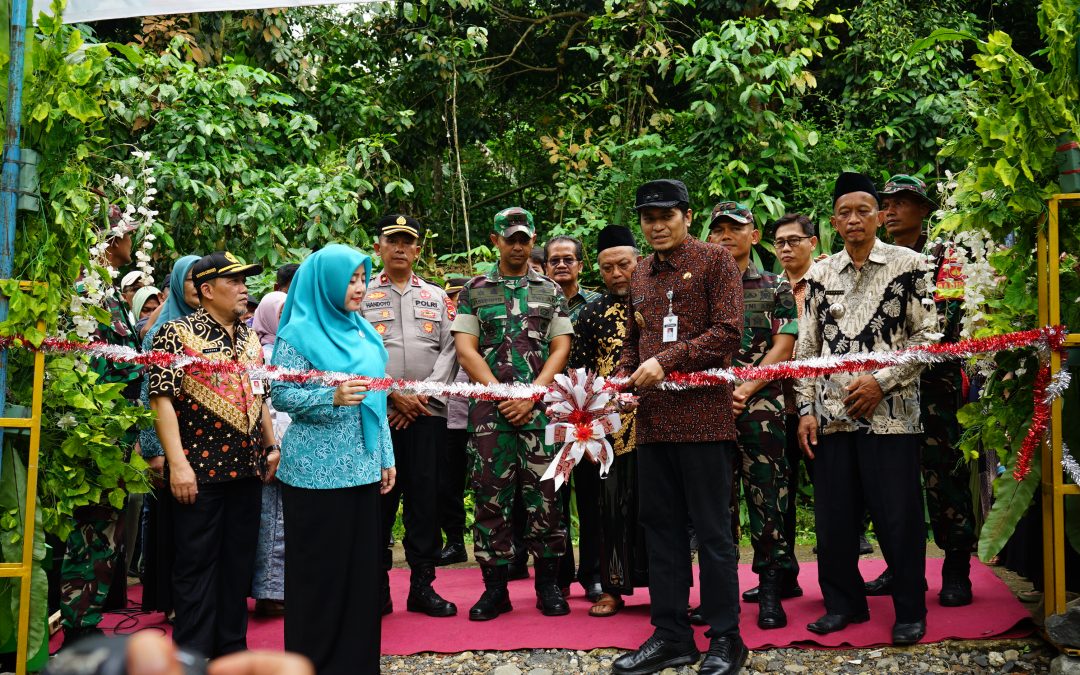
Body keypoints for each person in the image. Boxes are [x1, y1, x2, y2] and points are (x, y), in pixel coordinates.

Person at [795, 172, 938, 646]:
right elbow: (807, 348)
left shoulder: (910, 264)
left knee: (898, 516)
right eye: (844, 213)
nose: (854, 219)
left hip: (893, 413)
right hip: (832, 416)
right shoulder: (819, 273)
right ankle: (843, 605)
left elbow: (929, 337)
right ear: (834, 222)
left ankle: (910, 610)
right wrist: (806, 409)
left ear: (879, 215)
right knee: (834, 518)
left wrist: (881, 381)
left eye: (863, 210)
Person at [614, 179, 746, 675]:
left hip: (706, 422)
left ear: (687, 217)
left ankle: (726, 637)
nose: (657, 225)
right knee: (660, 531)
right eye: (649, 218)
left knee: (713, 533)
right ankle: (671, 635)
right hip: (653, 425)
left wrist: (666, 361)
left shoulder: (716, 261)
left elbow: (728, 333)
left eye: (666, 215)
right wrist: (624, 380)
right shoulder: (641, 272)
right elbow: (635, 338)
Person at [270, 244, 395, 674]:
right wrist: (332, 396)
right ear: (326, 282)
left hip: (360, 467)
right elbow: (282, 395)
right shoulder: (297, 334)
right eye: (351, 279)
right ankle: (313, 664)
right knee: (318, 578)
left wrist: (385, 455)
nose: (359, 288)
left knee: (359, 576)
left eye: (362, 278)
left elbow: (378, 397)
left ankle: (357, 664)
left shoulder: (364, 331)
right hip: (314, 476)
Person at [147, 251, 280, 657]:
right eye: (235, 281)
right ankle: (193, 658)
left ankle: (231, 654)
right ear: (207, 290)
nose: (244, 289)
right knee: (196, 569)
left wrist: (271, 444)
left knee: (237, 567)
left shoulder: (248, 335)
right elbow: (161, 400)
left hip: (246, 470)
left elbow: (259, 392)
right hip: (200, 472)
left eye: (245, 281)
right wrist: (179, 465)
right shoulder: (175, 333)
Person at [451, 206, 573, 620]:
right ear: (496, 239)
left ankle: (548, 587)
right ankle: (495, 590)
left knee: (546, 499)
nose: (518, 245)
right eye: (510, 238)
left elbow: (560, 347)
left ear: (532, 239)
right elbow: (466, 348)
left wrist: (533, 395)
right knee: (490, 497)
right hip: (490, 413)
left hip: (540, 414)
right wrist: (500, 393)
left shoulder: (551, 291)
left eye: (524, 238)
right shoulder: (474, 289)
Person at [864, 174, 977, 606]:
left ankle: (956, 570)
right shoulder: (875, 257)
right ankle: (901, 566)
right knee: (892, 482)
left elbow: (944, 325)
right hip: (884, 391)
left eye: (902, 203)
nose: (890, 210)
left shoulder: (943, 256)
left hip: (933, 384)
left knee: (943, 475)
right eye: (886, 203)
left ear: (925, 210)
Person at [705, 201, 798, 630]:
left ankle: (771, 593)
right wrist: (722, 391)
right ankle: (718, 597)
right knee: (714, 506)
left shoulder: (775, 285)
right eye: (718, 229)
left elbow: (784, 345)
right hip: (708, 405)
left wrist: (744, 387)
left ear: (754, 236)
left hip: (761, 406)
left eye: (735, 229)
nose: (726, 236)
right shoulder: (698, 287)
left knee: (768, 497)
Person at [367, 214, 459, 617]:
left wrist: (419, 397)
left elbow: (451, 350)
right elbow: (357, 353)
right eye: (393, 241)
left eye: (408, 241)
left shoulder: (437, 297)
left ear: (418, 249)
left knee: (425, 500)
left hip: (427, 414)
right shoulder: (362, 296)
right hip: (379, 415)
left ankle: (422, 587)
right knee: (378, 501)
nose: (401, 247)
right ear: (379, 248)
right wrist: (393, 396)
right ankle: (376, 587)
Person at [61, 215, 144, 645]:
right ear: (112, 240)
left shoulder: (106, 290)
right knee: (91, 533)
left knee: (105, 531)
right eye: (129, 233)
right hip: (95, 431)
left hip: (114, 431)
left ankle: (87, 622)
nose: (133, 240)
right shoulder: (87, 292)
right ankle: (78, 630)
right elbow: (94, 362)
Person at [567, 224, 647, 618]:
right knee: (610, 508)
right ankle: (613, 588)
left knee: (661, 508)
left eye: (624, 265)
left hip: (661, 422)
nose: (617, 274)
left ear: (639, 260)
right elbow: (577, 372)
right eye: (607, 268)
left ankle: (670, 589)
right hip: (609, 427)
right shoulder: (589, 313)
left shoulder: (659, 302)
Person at [138, 255, 201, 616]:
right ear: (178, 284)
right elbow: (149, 395)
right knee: (171, 525)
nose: (196, 287)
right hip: (168, 444)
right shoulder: (162, 330)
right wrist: (154, 451)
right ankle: (174, 601)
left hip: (200, 444)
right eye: (191, 280)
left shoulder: (210, 326)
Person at [544, 235, 604, 600]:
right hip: (549, 413)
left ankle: (593, 573)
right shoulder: (536, 301)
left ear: (581, 265)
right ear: (546, 265)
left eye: (569, 259)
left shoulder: (597, 304)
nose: (562, 265)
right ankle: (559, 574)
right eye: (555, 260)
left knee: (593, 495)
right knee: (553, 494)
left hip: (592, 416)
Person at [251, 290, 290, 618]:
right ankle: (270, 591)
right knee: (273, 522)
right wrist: (273, 446)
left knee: (279, 520)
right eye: (280, 313)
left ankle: (276, 588)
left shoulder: (288, 348)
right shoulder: (261, 352)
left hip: (286, 446)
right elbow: (265, 404)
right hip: (273, 446)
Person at [437, 275, 475, 566]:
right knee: (447, 485)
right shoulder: (439, 328)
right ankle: (454, 541)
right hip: (447, 422)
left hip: (478, 421)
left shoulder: (479, 328)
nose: (456, 303)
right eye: (453, 298)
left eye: (461, 297)